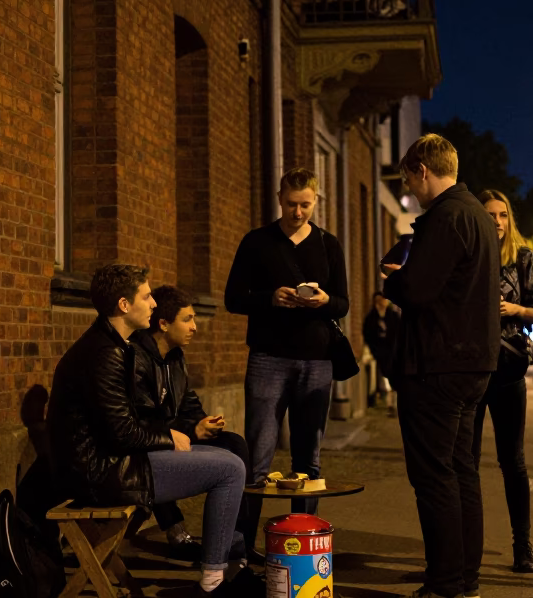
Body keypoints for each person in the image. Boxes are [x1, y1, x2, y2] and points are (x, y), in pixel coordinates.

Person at [46, 264, 257, 598]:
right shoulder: (105, 353)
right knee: (230, 469)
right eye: (146, 297)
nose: (154, 304)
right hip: (100, 472)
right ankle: (211, 587)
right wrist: (169, 437)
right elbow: (121, 432)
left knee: (231, 452)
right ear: (124, 305)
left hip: (113, 462)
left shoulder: (116, 345)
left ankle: (231, 567)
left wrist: (174, 433)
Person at [380, 134, 503, 598]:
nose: (409, 190)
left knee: (434, 475)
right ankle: (465, 579)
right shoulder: (475, 213)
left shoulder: (446, 217)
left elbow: (422, 289)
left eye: (409, 179)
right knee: (461, 471)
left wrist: (394, 277)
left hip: (438, 361)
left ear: (422, 171)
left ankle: (446, 586)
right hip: (473, 361)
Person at [224, 168, 350, 518]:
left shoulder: (328, 243)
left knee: (308, 458)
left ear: (316, 201)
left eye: (306, 205)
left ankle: (303, 538)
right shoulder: (256, 242)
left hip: (317, 359)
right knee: (258, 456)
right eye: (292, 204)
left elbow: (343, 303)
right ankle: (244, 544)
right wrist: (270, 299)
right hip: (268, 357)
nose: (298, 213)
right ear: (279, 198)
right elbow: (233, 298)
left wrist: (324, 300)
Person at [129, 285, 258, 562]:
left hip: (177, 434)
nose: (194, 327)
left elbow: (188, 402)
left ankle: (239, 543)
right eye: (187, 319)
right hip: (149, 444)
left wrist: (204, 422)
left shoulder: (175, 357)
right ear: (163, 324)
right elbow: (143, 422)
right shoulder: (136, 358)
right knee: (227, 464)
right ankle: (180, 533)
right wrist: (191, 430)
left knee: (235, 444)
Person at [471, 190, 533, 574]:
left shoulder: (523, 259)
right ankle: (465, 548)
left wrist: (517, 309)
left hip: (508, 370)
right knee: (465, 462)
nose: (497, 222)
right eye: (489, 215)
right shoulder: (469, 254)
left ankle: (523, 545)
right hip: (470, 371)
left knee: (513, 462)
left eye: (502, 215)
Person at [361, 291, 400, 411]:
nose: (381, 303)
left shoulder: (393, 315)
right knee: (377, 375)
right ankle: (376, 397)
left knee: (391, 375)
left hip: (392, 351)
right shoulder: (371, 317)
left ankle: (391, 401)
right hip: (377, 351)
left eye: (383, 300)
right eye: (378, 300)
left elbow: (398, 332)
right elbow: (367, 332)